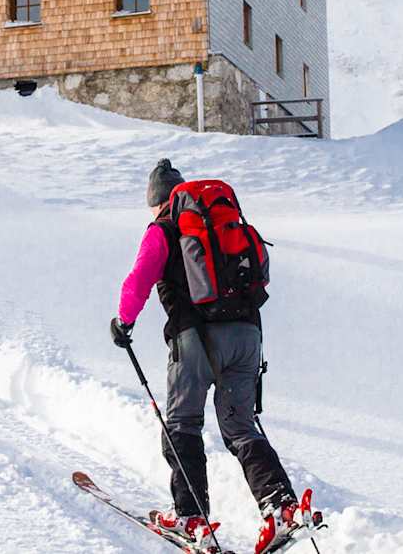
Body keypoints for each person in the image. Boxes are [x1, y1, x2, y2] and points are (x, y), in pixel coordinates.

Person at [110, 159, 301, 554]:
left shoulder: (163, 229)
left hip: (195, 338)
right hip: (247, 336)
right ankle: (281, 508)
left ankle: (190, 516)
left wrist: (123, 322)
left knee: (181, 424)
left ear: (157, 202)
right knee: (242, 428)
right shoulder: (222, 226)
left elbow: (140, 278)